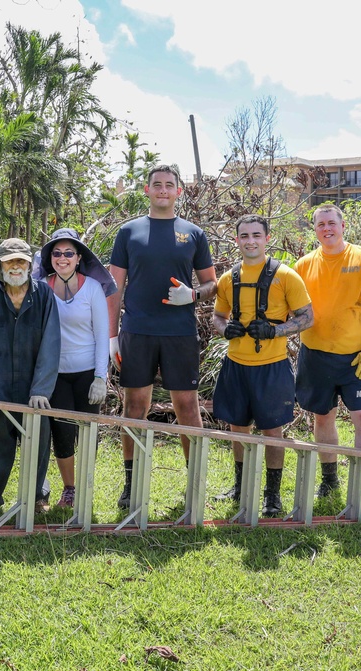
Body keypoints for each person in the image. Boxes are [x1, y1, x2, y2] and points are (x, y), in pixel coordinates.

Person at [108, 164, 217, 509]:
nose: (163, 190)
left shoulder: (193, 234)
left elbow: (213, 284)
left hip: (179, 333)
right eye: (157, 185)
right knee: (134, 406)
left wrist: (195, 295)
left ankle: (195, 481)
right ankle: (131, 484)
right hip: (137, 331)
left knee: (187, 406)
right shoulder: (128, 232)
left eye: (170, 185)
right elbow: (115, 287)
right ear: (147, 190)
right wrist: (113, 337)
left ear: (179, 192)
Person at [293, 204, 361, 523]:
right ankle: (329, 479)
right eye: (320, 225)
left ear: (342, 225)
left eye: (331, 223)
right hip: (316, 356)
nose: (326, 229)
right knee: (323, 418)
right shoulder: (304, 265)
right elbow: (292, 309)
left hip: (356, 358)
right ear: (315, 230)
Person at [211, 215, 314, 516]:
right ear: (237, 240)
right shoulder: (228, 278)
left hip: (272, 366)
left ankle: (272, 494)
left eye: (256, 235)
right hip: (236, 365)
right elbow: (217, 316)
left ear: (267, 238)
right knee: (237, 427)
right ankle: (241, 486)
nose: (250, 241)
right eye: (244, 236)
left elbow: (308, 317)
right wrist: (223, 329)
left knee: (273, 430)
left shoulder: (286, 276)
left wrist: (275, 330)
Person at [0, 238, 60, 522]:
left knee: (38, 443)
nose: (15, 266)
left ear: (30, 265)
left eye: (21, 261)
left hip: (35, 388)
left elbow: (51, 345)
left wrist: (42, 388)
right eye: (9, 261)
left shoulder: (43, 295)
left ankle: (36, 496)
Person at [37, 228, 114, 508]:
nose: (62, 258)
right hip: (55, 374)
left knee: (88, 432)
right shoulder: (42, 286)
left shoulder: (92, 288)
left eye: (69, 253)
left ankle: (85, 486)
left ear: (79, 257)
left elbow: (101, 333)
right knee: (62, 433)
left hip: (86, 373)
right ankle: (69, 489)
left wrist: (99, 376)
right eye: (57, 253)